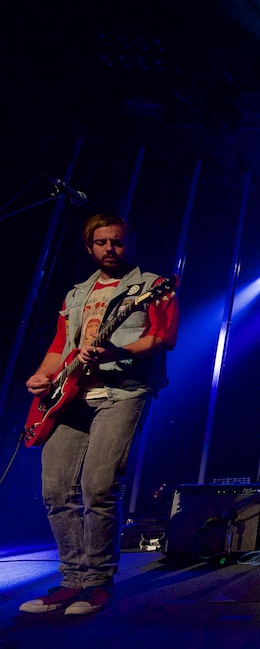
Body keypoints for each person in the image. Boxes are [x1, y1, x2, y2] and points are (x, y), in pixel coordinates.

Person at [20, 213, 179, 616]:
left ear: (131, 243)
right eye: (102, 242)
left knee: (99, 487)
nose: (110, 249)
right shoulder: (76, 294)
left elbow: (163, 337)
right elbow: (60, 345)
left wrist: (119, 352)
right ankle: (70, 581)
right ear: (89, 246)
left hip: (122, 393)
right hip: (69, 397)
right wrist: (42, 375)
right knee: (56, 490)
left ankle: (97, 583)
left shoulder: (152, 287)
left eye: (118, 242)